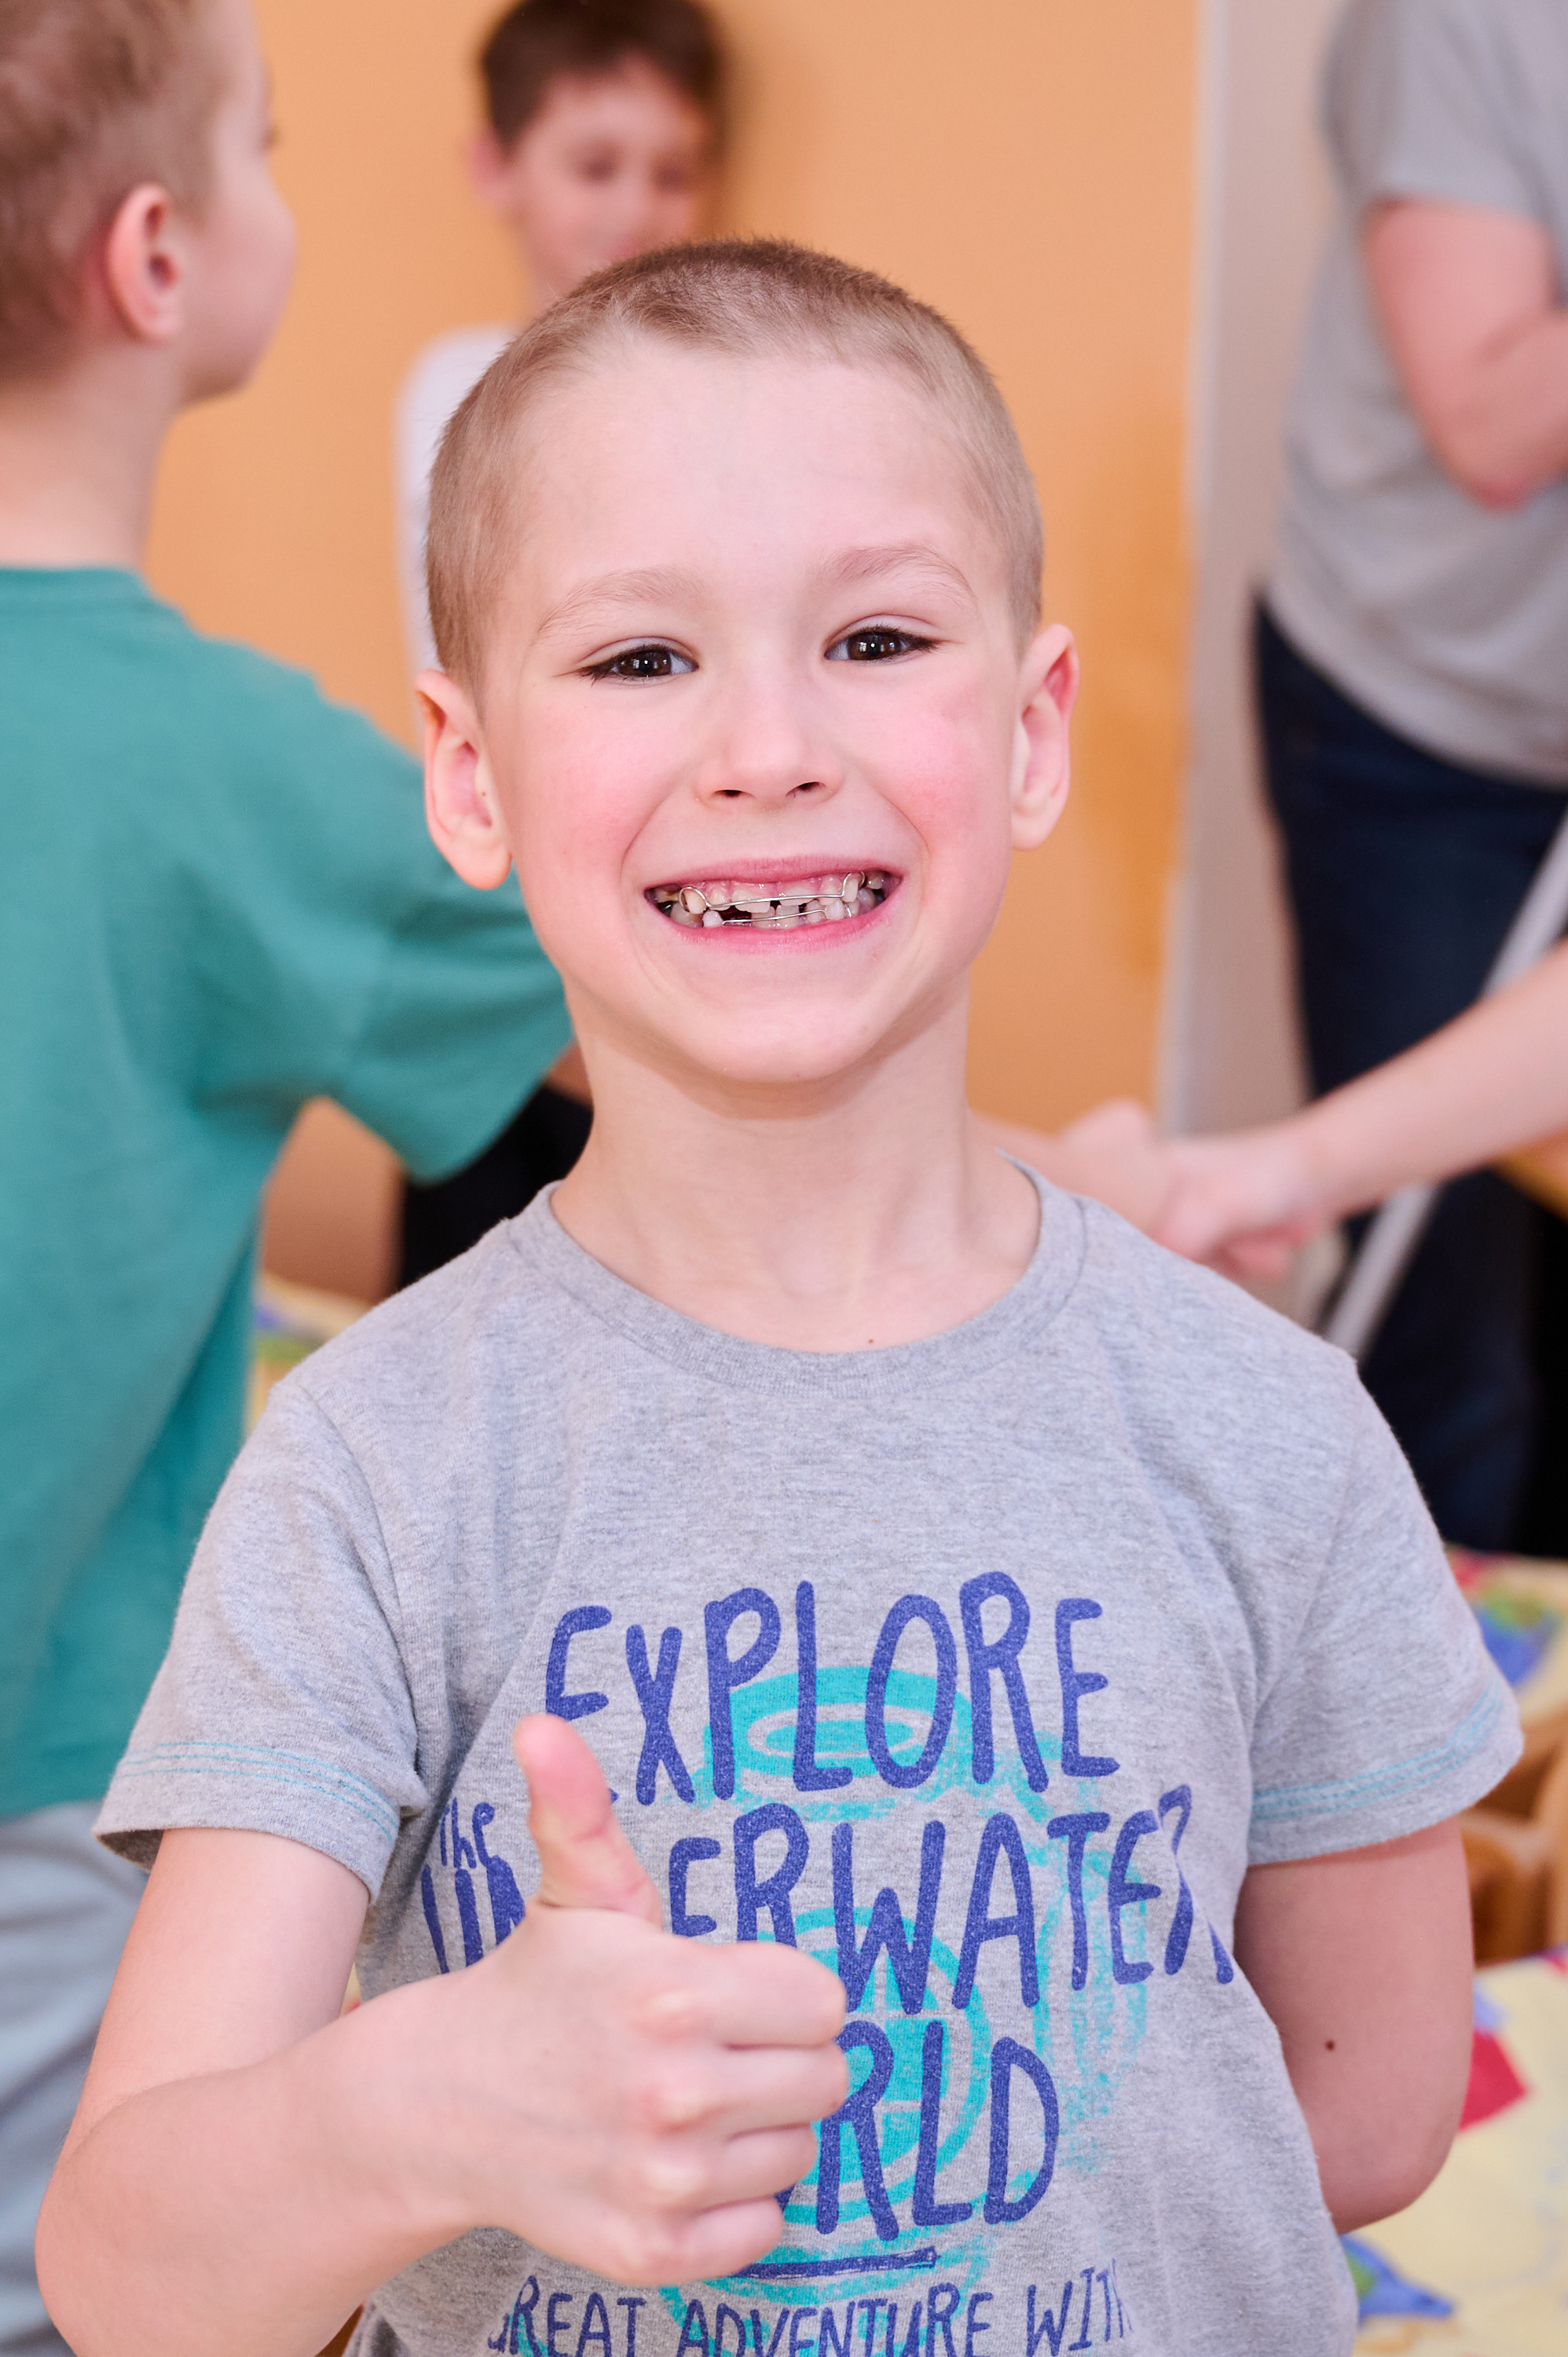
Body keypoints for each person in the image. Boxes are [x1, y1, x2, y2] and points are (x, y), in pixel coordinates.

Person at [43, 239, 1516, 2357]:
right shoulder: (372, 1463)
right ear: (466, 776)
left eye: (876, 636)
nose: (764, 744)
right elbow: (124, 2275)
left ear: (1031, 731)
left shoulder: (1276, 1428)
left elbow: (1378, 2115)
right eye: (640, 658)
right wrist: (410, 2110)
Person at [0, 4, 570, 2347]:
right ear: (157, 254)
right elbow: (687, 1032)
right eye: (268, 145)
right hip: (46, 1798)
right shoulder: (228, 769)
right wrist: (1110, 1183)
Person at [1258, 0, 1568, 1551]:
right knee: (1438, 1311)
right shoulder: (1460, 23)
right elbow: (1493, 422)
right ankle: (1404, 1763)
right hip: (1422, 721)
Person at [394, 0, 726, 1284]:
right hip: (497, 945)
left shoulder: (728, 414)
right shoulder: (456, 396)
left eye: (673, 169)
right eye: (595, 165)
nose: (635, 206)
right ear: (500, 170)